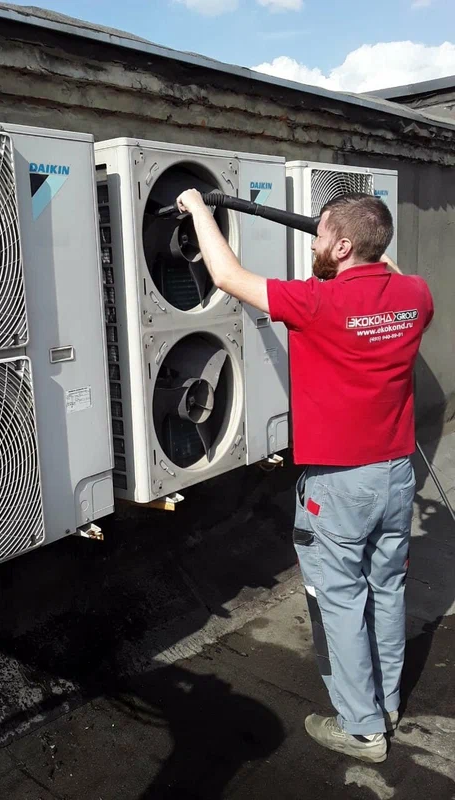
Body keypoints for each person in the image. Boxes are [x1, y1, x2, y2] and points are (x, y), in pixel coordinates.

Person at [175, 189, 434, 764]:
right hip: (397, 476)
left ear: (342, 247)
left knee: (341, 601)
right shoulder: (416, 294)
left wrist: (198, 207)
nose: (313, 243)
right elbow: (390, 271)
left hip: (341, 486)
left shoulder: (317, 302)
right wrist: (367, 249)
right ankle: (387, 704)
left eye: (320, 235)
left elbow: (226, 275)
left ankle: (362, 730)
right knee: (386, 590)